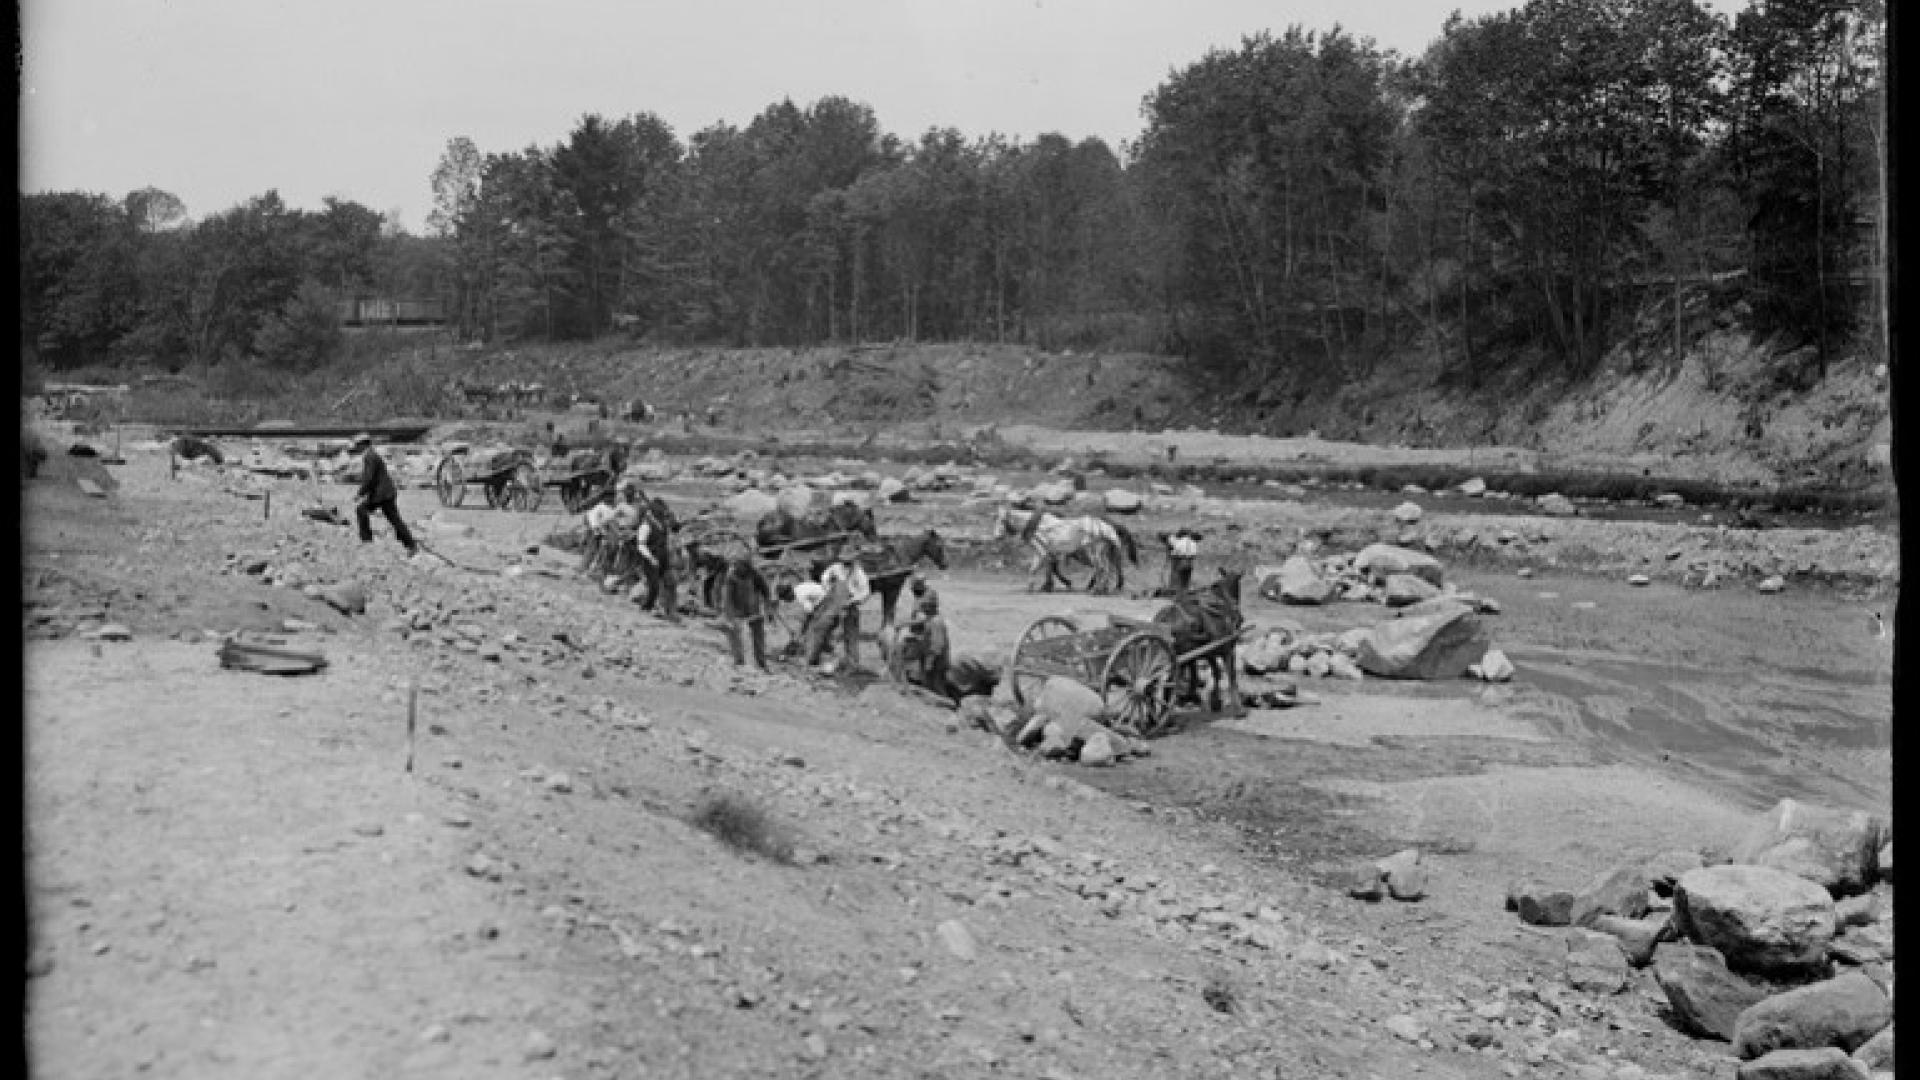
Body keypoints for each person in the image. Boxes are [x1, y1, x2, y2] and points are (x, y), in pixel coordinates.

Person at [353, 433, 418, 556]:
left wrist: (360, 493)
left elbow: (369, 478)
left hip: (382, 494)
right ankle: (410, 544)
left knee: (362, 510)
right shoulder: (372, 454)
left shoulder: (369, 456)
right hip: (385, 493)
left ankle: (367, 541)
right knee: (394, 519)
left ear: (363, 445)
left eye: (357, 445)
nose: (356, 448)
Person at [809, 543, 870, 672]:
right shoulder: (835, 568)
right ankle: (814, 658)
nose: (846, 563)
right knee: (822, 628)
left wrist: (853, 600)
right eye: (844, 561)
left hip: (849, 607)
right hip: (833, 605)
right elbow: (825, 577)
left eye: (848, 561)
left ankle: (852, 665)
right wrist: (828, 588)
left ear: (853, 560)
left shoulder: (859, 574)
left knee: (851, 636)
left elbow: (865, 592)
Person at [1162, 528, 1201, 594]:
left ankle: (1175, 593)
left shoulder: (1175, 540)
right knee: (1185, 582)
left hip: (1180, 562)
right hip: (1190, 564)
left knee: (1175, 581)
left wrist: (1170, 553)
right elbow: (1194, 554)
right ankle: (1184, 594)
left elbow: (1174, 552)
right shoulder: (1193, 542)